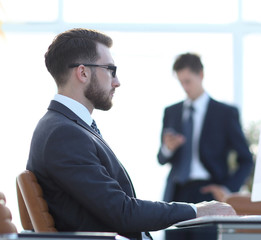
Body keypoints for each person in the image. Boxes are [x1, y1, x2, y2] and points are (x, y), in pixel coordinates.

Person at [26, 29, 236, 240]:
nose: (117, 81)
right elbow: (122, 212)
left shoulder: (67, 127)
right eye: (110, 70)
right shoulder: (63, 134)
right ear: (83, 73)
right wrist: (197, 210)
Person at [157, 53, 253, 239]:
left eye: (188, 81)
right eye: (181, 82)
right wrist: (168, 148)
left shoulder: (225, 113)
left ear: (200, 75)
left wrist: (227, 189)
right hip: (177, 194)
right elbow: (161, 158)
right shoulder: (172, 112)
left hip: (209, 193)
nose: (185, 87)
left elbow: (246, 159)